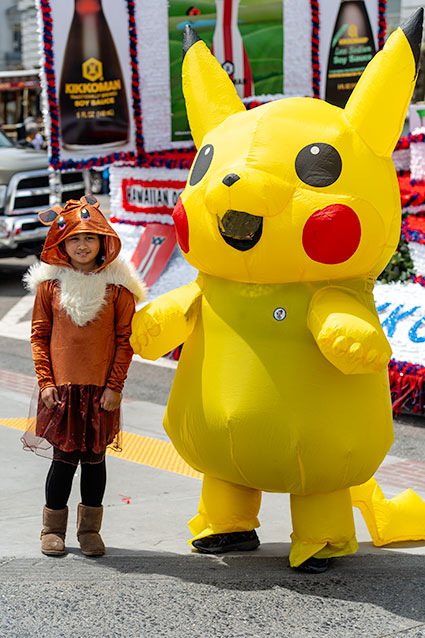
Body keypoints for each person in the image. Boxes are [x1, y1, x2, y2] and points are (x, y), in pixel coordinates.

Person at [21, 195, 146, 557]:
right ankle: (52, 529)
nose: (82, 245)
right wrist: (46, 382)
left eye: (90, 237)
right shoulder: (49, 286)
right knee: (63, 461)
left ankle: (89, 530)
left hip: (101, 392)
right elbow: (40, 336)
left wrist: (114, 387)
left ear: (103, 241)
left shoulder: (118, 288)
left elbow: (124, 340)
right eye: (74, 238)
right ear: (62, 243)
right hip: (61, 391)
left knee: (94, 462)